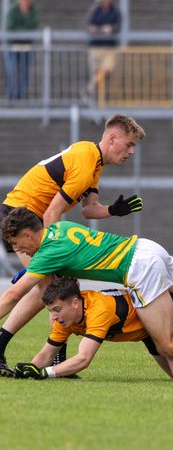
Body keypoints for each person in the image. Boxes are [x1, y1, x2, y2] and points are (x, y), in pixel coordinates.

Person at [0, 207, 173, 377]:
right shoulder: (60, 228)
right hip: (147, 248)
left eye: (15, 243)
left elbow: (13, 296)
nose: (15, 249)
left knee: (167, 344)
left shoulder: (47, 253)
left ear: (28, 234)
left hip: (138, 268)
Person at [0, 114, 145, 375]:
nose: (132, 151)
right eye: (129, 143)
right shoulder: (86, 160)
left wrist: (114, 209)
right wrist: (54, 254)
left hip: (31, 224)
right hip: (23, 224)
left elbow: (89, 210)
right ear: (112, 138)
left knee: (58, 292)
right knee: (43, 291)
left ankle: (56, 361)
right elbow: (51, 215)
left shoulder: (93, 163)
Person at [13, 278, 173, 381]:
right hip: (145, 330)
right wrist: (29, 369)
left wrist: (45, 373)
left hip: (165, 310)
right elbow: (47, 352)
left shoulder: (98, 310)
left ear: (76, 303)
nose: (54, 317)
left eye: (57, 309)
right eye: (51, 311)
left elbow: (83, 359)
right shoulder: (65, 318)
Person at [3, 0, 39, 100]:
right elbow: (10, 28)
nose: (26, 2)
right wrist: (24, 33)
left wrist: (20, 33)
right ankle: (11, 94)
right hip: (12, 46)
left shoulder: (33, 10)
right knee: (11, 70)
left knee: (24, 72)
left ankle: (20, 95)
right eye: (24, 0)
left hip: (26, 47)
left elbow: (33, 27)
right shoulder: (12, 10)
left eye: (28, 0)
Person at [85, 0, 121, 97]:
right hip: (96, 45)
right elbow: (88, 24)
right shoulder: (95, 10)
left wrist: (111, 29)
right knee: (95, 71)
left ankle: (90, 87)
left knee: (108, 69)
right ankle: (95, 97)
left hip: (109, 46)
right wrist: (92, 28)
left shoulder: (115, 11)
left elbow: (118, 26)